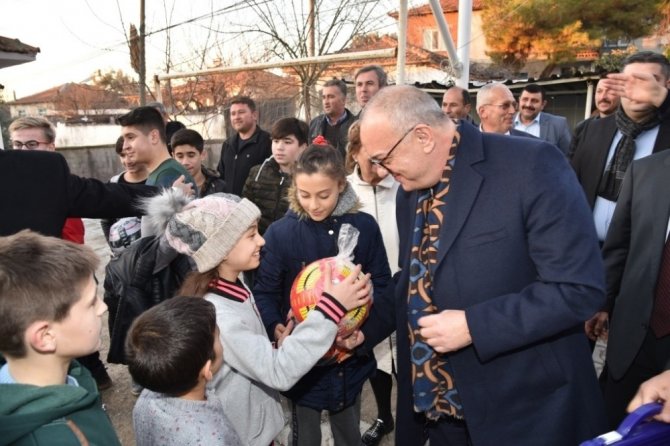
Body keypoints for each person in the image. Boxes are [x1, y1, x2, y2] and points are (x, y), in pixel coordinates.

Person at [358, 85, 607, 445]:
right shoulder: (409, 191)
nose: (380, 171)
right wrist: (361, 330)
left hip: (522, 413)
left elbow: (579, 288)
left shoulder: (531, 165)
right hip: (438, 414)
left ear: (423, 137)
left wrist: (474, 325)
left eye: (384, 158)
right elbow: (413, 283)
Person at [146, 189, 372, 446]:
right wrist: (331, 308)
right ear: (222, 250)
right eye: (252, 234)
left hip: (256, 430)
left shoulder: (235, 286)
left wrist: (279, 345)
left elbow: (250, 356)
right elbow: (277, 371)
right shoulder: (219, 315)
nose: (262, 241)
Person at [254, 143, 392, 446]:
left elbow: (383, 285)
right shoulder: (281, 233)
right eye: (304, 195)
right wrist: (274, 324)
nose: (313, 205)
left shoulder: (364, 227)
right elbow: (264, 291)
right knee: (305, 434)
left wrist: (362, 333)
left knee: (348, 430)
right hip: (303, 365)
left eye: (324, 195)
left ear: (341, 185)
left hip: (350, 362)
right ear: (294, 187)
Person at [0, 231, 120, 445]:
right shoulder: (53, 439)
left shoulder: (72, 372)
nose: (103, 307)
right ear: (45, 336)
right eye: (91, 302)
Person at [585, 148, 670, 428]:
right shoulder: (645, 170)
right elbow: (619, 247)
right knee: (615, 424)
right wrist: (603, 304)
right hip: (633, 337)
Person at [571, 51, 670, 244]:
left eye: (651, 81)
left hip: (642, 257)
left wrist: (665, 101)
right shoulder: (592, 129)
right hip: (586, 248)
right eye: (630, 81)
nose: (639, 89)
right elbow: (572, 185)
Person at [345, 121, 399, 446]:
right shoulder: (345, 194)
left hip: (403, 285)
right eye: (372, 154)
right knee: (376, 358)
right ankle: (384, 415)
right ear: (354, 152)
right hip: (365, 293)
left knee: (406, 362)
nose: (381, 164)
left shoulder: (404, 185)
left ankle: (413, 418)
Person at [125, 297, 242, 446]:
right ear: (207, 370)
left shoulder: (147, 397)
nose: (222, 342)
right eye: (218, 337)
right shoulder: (211, 440)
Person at [117, 106, 197, 235]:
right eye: (124, 139)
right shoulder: (161, 173)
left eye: (130, 137)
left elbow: (169, 242)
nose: (125, 146)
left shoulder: (168, 176)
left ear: (154, 136)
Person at [9, 116, 86, 243]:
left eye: (32, 144)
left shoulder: (63, 187)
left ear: (50, 147)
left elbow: (72, 246)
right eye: (17, 144)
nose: (23, 150)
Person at [242, 117, 309, 235]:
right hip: (260, 244)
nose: (279, 147)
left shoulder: (310, 178)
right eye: (275, 141)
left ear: (303, 147)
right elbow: (244, 214)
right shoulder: (257, 174)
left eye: (287, 142)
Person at [217, 96, 272, 196]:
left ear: (254, 115)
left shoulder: (268, 142)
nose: (236, 117)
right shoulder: (227, 145)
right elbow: (220, 178)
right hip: (230, 207)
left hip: (256, 208)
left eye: (241, 112)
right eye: (233, 114)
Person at [100, 135, 148, 245]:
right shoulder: (114, 184)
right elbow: (106, 221)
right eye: (122, 155)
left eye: (131, 155)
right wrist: (114, 247)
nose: (127, 161)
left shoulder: (156, 181)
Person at [568, 77, 621, 158]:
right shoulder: (582, 128)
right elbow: (570, 160)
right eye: (599, 91)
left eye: (610, 91)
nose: (603, 97)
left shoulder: (627, 129)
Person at [513, 83, 572, 154]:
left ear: (543, 104)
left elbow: (568, 156)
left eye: (534, 101)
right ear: (519, 100)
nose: (528, 105)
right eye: (525, 99)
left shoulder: (558, 125)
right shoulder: (506, 121)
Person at [171, 128, 226, 197]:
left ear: (202, 155)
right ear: (173, 157)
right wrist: (174, 193)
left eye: (191, 155)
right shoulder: (166, 186)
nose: (185, 162)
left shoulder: (219, 187)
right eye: (180, 156)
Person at [309, 79, 357, 158]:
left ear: (344, 100)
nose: (326, 102)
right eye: (324, 97)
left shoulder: (355, 126)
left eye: (331, 97)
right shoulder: (314, 124)